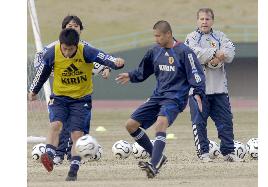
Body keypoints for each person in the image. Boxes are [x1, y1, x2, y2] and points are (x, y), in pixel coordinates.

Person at [28, 28, 125, 181]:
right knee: (55, 125)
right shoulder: (52, 53)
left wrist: (116, 62)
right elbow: (42, 72)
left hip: (81, 100)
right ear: (60, 44)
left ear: (76, 45)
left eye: (70, 49)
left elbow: (104, 57)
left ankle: (73, 170)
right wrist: (33, 91)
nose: (66, 52)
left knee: (77, 135)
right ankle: (50, 157)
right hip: (59, 98)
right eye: (64, 48)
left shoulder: (86, 51)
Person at [116, 20, 205, 178]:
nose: (156, 39)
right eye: (154, 36)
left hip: (175, 98)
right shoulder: (154, 51)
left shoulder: (185, 52)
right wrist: (130, 75)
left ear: (168, 34)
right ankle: (158, 157)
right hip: (157, 96)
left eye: (158, 36)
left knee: (160, 123)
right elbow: (143, 71)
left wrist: (198, 93)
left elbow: (196, 75)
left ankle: (153, 164)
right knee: (130, 125)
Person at [33, 15, 111, 165]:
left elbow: (100, 59)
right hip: (61, 94)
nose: (72, 28)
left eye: (75, 26)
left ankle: (76, 155)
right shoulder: (54, 48)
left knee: (80, 127)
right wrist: (48, 71)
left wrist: (105, 69)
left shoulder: (86, 48)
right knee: (59, 124)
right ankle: (58, 154)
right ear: (63, 29)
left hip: (82, 94)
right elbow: (40, 60)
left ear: (80, 29)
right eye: (69, 26)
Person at [184, 8, 238, 162]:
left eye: (207, 19)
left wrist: (219, 57)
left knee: (225, 122)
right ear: (197, 21)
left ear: (212, 21)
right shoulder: (191, 38)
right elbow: (194, 54)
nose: (204, 22)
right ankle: (204, 153)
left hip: (219, 89)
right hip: (198, 90)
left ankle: (228, 152)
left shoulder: (220, 36)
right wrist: (216, 54)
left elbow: (230, 52)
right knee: (199, 123)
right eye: (201, 19)